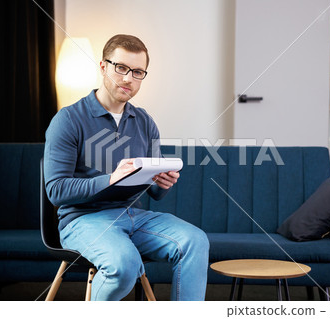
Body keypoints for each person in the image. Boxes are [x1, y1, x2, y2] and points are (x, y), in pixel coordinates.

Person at [43, 34, 209, 301]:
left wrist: (161, 182)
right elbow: (56, 190)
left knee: (195, 241)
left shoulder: (144, 121)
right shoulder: (69, 119)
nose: (128, 78)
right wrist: (110, 179)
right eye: (121, 68)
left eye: (138, 72)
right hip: (83, 220)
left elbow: (154, 194)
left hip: (133, 217)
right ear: (102, 66)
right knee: (124, 265)